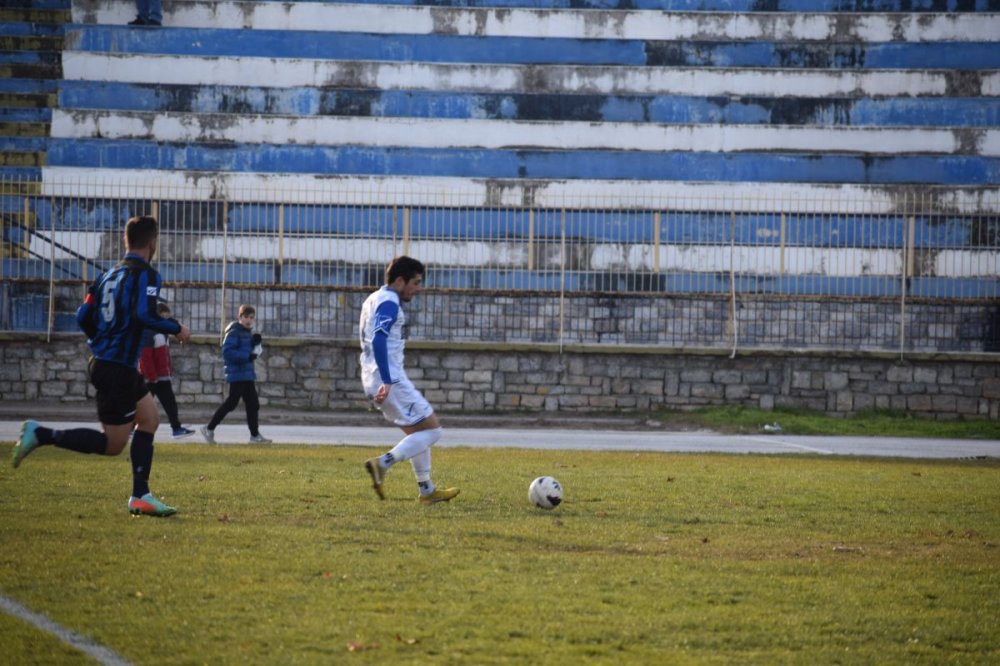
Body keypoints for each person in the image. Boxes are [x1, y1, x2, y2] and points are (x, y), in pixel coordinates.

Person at [11, 215, 192, 517]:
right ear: (152, 243)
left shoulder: (107, 275)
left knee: (149, 420)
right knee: (112, 444)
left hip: (112, 363)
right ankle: (41, 434)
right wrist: (176, 328)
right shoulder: (146, 274)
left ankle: (141, 495)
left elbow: (84, 315)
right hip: (116, 367)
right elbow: (143, 315)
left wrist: (102, 338)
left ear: (126, 241)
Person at [361, 256, 459, 504]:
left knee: (418, 433)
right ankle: (382, 463)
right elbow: (378, 339)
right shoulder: (389, 302)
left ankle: (427, 491)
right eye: (415, 283)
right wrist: (387, 380)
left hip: (373, 376)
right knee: (434, 431)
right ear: (400, 281)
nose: (418, 288)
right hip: (389, 378)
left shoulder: (374, 298)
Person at [200, 304, 272, 444]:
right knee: (232, 403)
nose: (249, 320)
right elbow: (227, 352)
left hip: (247, 374)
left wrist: (256, 344)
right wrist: (247, 356)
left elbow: (252, 351)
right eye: (246, 317)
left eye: (251, 318)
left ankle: (255, 436)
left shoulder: (247, 333)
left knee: (253, 403)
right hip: (237, 374)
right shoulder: (233, 332)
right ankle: (209, 428)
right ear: (240, 317)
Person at [139, 301, 195, 439]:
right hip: (152, 378)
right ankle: (175, 428)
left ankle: (176, 428)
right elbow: (145, 357)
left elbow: (164, 355)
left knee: (169, 403)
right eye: (163, 317)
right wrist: (152, 377)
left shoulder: (162, 332)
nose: (166, 321)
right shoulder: (149, 333)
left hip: (162, 376)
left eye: (167, 317)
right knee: (143, 404)